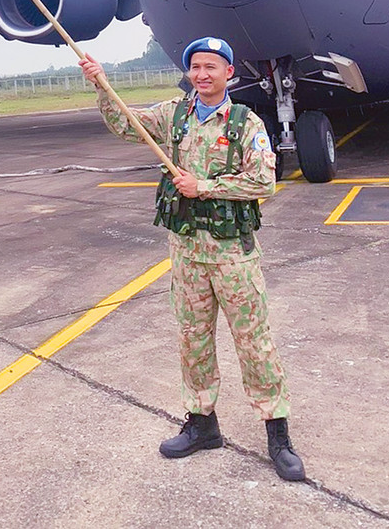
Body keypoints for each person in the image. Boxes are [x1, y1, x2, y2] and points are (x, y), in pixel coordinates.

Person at [79, 37, 305, 482]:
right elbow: (127, 126)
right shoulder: (173, 115)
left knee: (253, 341)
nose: (202, 74)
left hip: (231, 255)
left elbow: (264, 181)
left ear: (229, 74)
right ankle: (202, 425)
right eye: (195, 67)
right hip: (186, 254)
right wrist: (102, 87)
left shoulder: (245, 123)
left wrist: (203, 186)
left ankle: (277, 434)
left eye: (212, 67)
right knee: (192, 339)